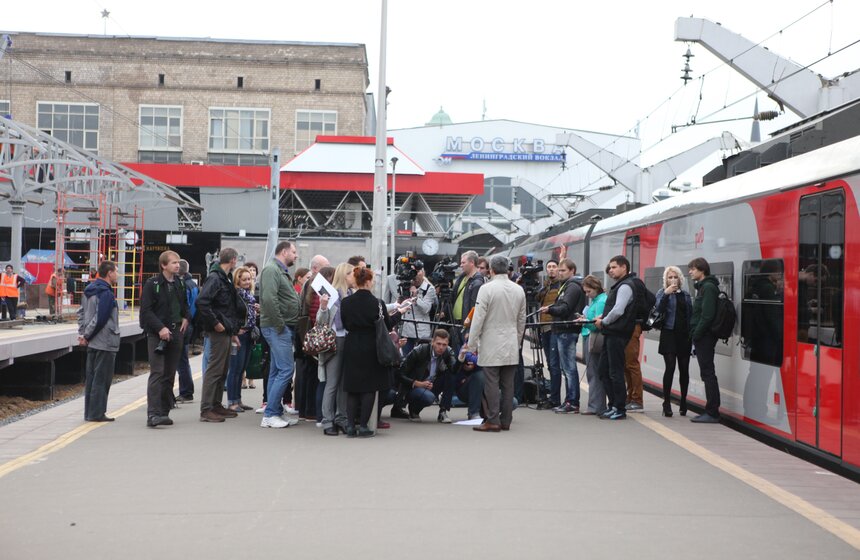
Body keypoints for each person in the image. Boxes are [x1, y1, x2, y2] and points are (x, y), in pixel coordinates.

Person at [340, 267, 403, 437]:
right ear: (367, 282)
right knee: (369, 388)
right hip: (371, 346)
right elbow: (387, 325)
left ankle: (351, 427)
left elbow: (345, 324)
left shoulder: (346, 302)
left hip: (352, 344)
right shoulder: (377, 303)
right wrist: (400, 313)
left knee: (352, 387)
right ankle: (363, 426)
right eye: (373, 280)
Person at [466, 255, 526, 432]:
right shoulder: (518, 290)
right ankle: (506, 420)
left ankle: (493, 420)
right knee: (508, 385)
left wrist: (472, 343)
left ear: (491, 269)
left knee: (491, 382)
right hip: (511, 343)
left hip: (491, 342)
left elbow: (478, 318)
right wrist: (518, 340)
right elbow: (521, 320)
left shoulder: (486, 289)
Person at [140, 251, 190, 428]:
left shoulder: (179, 283)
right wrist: (160, 328)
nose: (177, 265)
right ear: (164, 265)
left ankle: (163, 412)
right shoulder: (152, 284)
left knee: (169, 374)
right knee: (157, 372)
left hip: (176, 333)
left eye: (178, 262)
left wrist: (186, 317)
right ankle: (152, 414)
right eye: (174, 263)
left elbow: (185, 305)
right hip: (157, 334)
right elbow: (146, 311)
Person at [196, 248, 243, 423]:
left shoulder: (224, 278)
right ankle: (206, 408)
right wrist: (216, 323)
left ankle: (215, 405)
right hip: (218, 331)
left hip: (225, 330)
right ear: (233, 260)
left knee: (222, 369)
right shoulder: (216, 278)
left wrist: (231, 331)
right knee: (215, 370)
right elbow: (202, 301)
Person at [259, 241, 302, 428]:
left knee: (277, 370)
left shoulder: (278, 270)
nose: (296, 255)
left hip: (281, 327)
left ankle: (274, 412)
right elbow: (269, 298)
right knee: (286, 370)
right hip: (278, 327)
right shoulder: (271, 270)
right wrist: (279, 325)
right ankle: (269, 414)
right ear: (284, 252)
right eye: (293, 252)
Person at [539, 258, 585, 414]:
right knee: (566, 368)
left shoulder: (572, 287)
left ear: (572, 271)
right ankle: (569, 401)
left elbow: (565, 308)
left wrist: (550, 310)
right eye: (559, 270)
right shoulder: (567, 286)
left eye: (562, 270)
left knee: (569, 369)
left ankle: (572, 402)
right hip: (562, 329)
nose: (559, 272)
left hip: (567, 330)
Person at [594, 255, 637, 421]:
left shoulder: (626, 286)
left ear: (624, 267)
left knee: (615, 371)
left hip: (617, 333)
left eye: (613, 267)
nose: (610, 270)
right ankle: (614, 405)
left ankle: (619, 408)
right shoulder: (619, 285)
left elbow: (619, 310)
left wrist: (603, 321)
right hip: (611, 333)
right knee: (603, 370)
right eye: (610, 268)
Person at [77, 260, 120, 422]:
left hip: (93, 342)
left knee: (92, 378)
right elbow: (100, 318)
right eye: (116, 271)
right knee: (102, 378)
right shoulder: (106, 293)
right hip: (105, 341)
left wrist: (82, 334)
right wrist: (86, 335)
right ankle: (96, 413)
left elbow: (81, 313)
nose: (118, 274)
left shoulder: (89, 290)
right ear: (109, 273)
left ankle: (90, 412)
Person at [317, 263, 353, 436]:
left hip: (347, 339)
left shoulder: (350, 293)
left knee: (343, 383)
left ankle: (340, 418)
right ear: (344, 275)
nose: (354, 276)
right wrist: (323, 307)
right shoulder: (333, 293)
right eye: (351, 273)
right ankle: (328, 420)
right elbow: (321, 320)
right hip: (334, 340)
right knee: (332, 383)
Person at [295, 255, 330, 421]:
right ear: (316, 268)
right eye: (325, 267)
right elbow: (318, 309)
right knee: (315, 375)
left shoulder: (308, 283)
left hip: (305, 332)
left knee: (306, 372)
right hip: (316, 333)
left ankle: (303, 409)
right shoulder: (319, 284)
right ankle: (311, 411)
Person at [655, 266, 693, 417]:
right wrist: (666, 294)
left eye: (675, 277)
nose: (672, 280)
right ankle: (667, 403)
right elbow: (658, 310)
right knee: (670, 367)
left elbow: (690, 314)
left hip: (684, 335)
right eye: (669, 277)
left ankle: (683, 401)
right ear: (666, 280)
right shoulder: (661, 293)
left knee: (684, 369)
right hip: (668, 334)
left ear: (680, 279)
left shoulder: (685, 295)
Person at [397, 329, 457, 423]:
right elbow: (400, 374)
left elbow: (455, 370)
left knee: (451, 375)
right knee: (428, 397)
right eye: (438, 343)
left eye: (444, 345)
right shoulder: (420, 350)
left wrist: (461, 358)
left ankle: (443, 411)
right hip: (415, 386)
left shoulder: (448, 352)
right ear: (432, 342)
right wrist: (417, 383)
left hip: (432, 384)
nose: (441, 347)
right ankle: (414, 410)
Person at [688, 257, 721, 423]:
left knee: (708, 373)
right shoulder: (703, 287)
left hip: (705, 336)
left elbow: (707, 315)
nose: (690, 271)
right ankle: (711, 410)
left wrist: (696, 334)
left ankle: (712, 412)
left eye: (693, 268)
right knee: (706, 372)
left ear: (702, 270)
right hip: (703, 336)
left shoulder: (708, 288)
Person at [226, 266, 257, 413]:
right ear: (237, 280)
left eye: (248, 279)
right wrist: (234, 330)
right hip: (239, 334)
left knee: (242, 368)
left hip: (248, 334)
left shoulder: (248, 295)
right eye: (243, 279)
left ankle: (238, 400)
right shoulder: (235, 295)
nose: (246, 282)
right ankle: (232, 401)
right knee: (235, 369)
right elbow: (231, 314)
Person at [578, 275, 607, 415]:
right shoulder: (598, 300)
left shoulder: (601, 302)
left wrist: (584, 321)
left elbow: (596, 325)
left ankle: (596, 406)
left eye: (589, 291)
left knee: (594, 373)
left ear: (596, 288)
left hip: (593, 338)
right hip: (590, 337)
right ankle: (596, 405)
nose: (587, 295)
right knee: (593, 372)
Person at [535, 259, 561, 407]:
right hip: (543, 326)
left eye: (554, 267)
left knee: (554, 364)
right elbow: (536, 298)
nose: (551, 269)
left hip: (553, 327)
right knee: (550, 364)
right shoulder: (545, 285)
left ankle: (555, 398)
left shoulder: (560, 285)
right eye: (549, 267)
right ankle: (553, 395)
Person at [448, 250, 486, 349]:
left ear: (472, 263)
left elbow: (475, 308)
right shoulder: (461, 278)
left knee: (465, 355)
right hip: (455, 323)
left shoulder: (477, 282)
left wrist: (470, 330)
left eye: (463, 262)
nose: (461, 265)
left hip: (466, 325)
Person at [399, 262, 437, 356]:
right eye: (412, 271)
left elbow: (426, 309)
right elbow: (400, 305)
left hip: (421, 331)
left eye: (417, 271)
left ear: (423, 273)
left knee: (420, 359)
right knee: (406, 358)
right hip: (406, 331)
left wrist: (416, 298)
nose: (414, 274)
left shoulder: (429, 288)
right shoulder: (405, 285)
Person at [174, 259, 198, 403]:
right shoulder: (193, 284)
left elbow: (185, 306)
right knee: (183, 360)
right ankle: (187, 390)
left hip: (183, 325)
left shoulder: (184, 286)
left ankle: (186, 392)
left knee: (180, 360)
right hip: (191, 324)